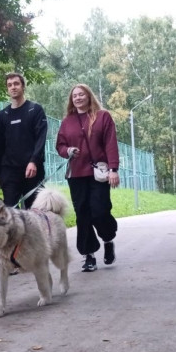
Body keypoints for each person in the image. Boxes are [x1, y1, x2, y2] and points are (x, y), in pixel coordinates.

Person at [55, 83, 120, 272]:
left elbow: (110, 143)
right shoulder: (67, 122)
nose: (78, 98)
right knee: (82, 214)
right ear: (71, 100)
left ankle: (108, 239)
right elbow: (60, 145)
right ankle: (88, 255)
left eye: (81, 94)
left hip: (99, 173)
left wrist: (113, 169)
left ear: (89, 96)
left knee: (100, 211)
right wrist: (67, 150)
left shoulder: (102, 116)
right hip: (76, 174)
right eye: (74, 95)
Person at [0, 72, 48, 210]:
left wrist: (34, 161)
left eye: (16, 84)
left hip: (32, 170)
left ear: (23, 86)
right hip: (9, 172)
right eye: (9, 85)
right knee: (11, 214)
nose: (13, 87)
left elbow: (41, 139)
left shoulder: (35, 110)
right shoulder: (2, 115)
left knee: (36, 212)